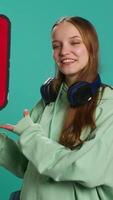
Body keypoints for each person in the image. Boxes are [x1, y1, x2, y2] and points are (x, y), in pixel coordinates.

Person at [0, 16, 113, 200]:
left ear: (91, 48)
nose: (63, 51)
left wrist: (30, 136)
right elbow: (26, 166)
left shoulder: (108, 105)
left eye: (74, 42)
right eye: (56, 45)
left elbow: (86, 169)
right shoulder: (50, 100)